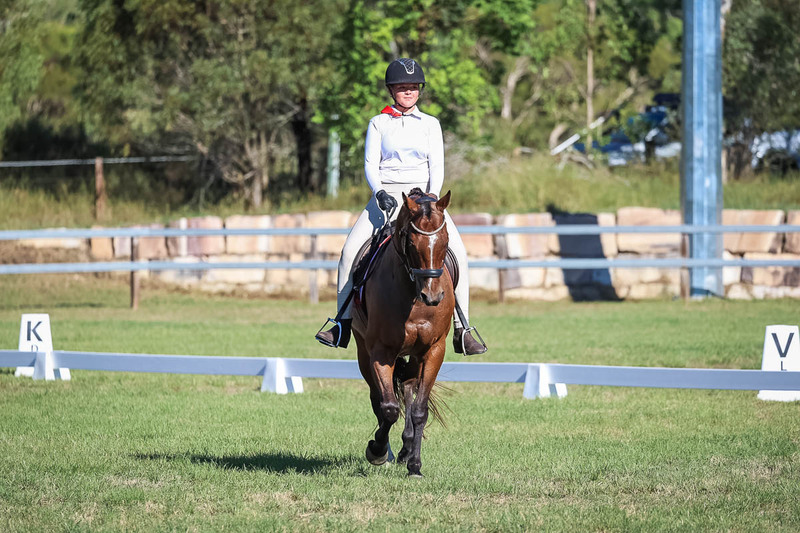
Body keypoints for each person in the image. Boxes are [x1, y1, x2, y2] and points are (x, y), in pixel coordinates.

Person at [315, 57, 487, 356]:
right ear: (391, 90)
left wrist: (431, 199)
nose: (408, 91)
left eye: (413, 87)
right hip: (388, 195)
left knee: (459, 254)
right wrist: (379, 191)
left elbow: (437, 166)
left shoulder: (431, 124)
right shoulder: (378, 123)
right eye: (402, 87)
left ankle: (463, 328)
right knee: (349, 253)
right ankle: (341, 323)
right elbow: (370, 164)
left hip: (425, 198)